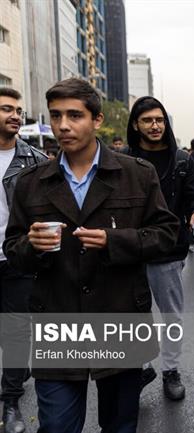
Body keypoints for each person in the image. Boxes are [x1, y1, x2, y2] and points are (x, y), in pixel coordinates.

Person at [3, 78, 178, 432]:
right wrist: (31, 246)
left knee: (119, 425)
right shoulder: (30, 182)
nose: (63, 125)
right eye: (56, 116)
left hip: (120, 316)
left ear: (97, 119)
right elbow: (13, 249)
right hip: (58, 318)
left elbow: (166, 235)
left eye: (74, 115)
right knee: (56, 426)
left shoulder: (137, 175)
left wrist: (115, 241)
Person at [127, 97, 194, 400]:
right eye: (148, 120)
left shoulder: (182, 160)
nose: (155, 125)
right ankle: (142, 367)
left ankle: (170, 371)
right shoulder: (122, 160)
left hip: (168, 252)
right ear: (136, 125)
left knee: (171, 316)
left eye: (159, 119)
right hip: (130, 252)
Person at [0, 87, 48, 433]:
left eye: (18, 110)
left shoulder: (34, 160)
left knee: (16, 331)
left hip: (15, 258)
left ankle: (11, 400)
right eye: (6, 109)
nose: (16, 115)